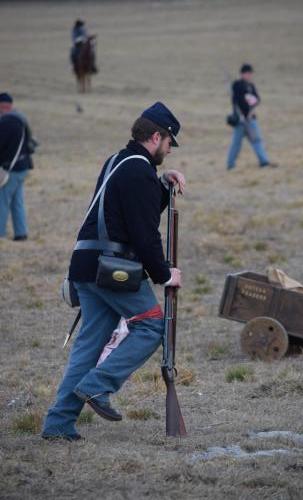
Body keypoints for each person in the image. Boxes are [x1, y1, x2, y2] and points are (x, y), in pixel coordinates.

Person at [42, 102, 186, 441]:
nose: (169, 149)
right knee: (152, 327)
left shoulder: (119, 161)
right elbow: (143, 232)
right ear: (156, 136)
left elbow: (125, 210)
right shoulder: (138, 171)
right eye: (169, 142)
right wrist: (164, 273)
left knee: (88, 346)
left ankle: (59, 424)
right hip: (112, 270)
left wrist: (162, 185)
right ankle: (97, 386)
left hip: (87, 266)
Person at [226, 64, 276, 170]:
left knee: (257, 140)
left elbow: (257, 99)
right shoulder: (237, 85)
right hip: (240, 121)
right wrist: (248, 103)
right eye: (247, 73)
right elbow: (239, 100)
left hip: (250, 119)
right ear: (242, 74)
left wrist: (250, 106)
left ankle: (264, 162)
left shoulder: (251, 86)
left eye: (250, 73)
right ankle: (230, 165)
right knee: (236, 144)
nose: (249, 75)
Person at [0, 92, 35, 241]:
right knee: (17, 201)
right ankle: (21, 233)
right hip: (23, 166)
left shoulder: (6, 122)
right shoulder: (21, 119)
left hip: (11, 169)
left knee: (2, 201)